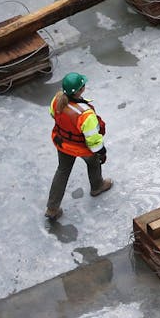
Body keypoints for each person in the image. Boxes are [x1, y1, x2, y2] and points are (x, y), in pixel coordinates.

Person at [45, 71, 112, 221]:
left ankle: (52, 208)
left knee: (62, 170)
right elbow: (93, 139)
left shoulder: (56, 100)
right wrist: (102, 152)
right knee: (94, 163)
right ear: (81, 90)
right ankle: (97, 186)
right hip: (81, 147)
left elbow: (52, 114)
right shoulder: (85, 114)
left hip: (62, 143)